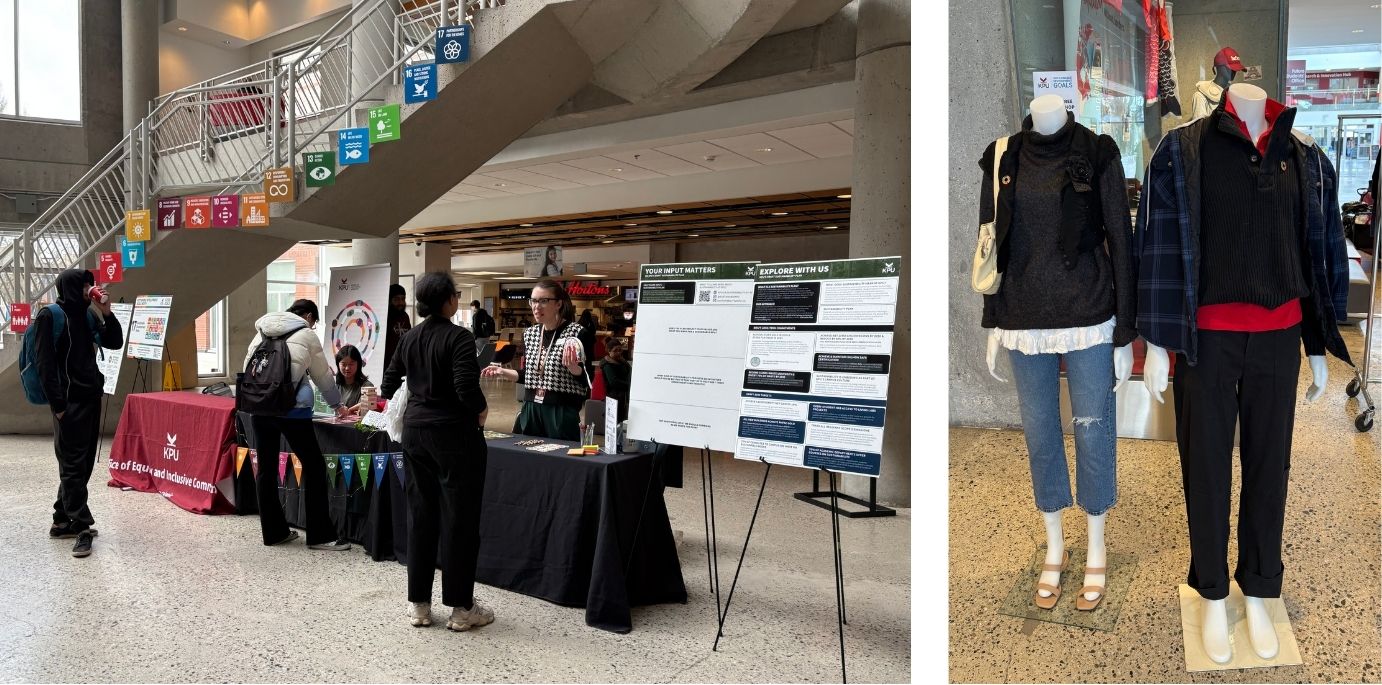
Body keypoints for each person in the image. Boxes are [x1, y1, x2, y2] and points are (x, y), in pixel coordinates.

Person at [380, 272, 493, 632]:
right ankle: (461, 608)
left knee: (421, 516)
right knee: (460, 520)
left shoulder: (409, 336)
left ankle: (419, 605)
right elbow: (465, 386)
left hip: (415, 435)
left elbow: (388, 383)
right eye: (455, 294)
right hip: (454, 437)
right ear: (448, 301)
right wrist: (480, 408)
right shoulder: (459, 337)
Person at [243, 299, 352, 551]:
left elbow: (248, 367)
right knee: (314, 466)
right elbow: (323, 376)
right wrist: (337, 405)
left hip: (260, 408)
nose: (313, 326)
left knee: (266, 469)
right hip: (292, 410)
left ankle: (274, 533)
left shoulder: (262, 332)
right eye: (314, 322)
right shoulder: (306, 334)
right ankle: (320, 536)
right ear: (309, 317)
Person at [34, 269, 123, 558]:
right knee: (72, 465)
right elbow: (45, 364)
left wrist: (106, 313)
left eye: (90, 284)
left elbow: (114, 342)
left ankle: (61, 521)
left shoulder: (88, 314)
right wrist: (58, 406)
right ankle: (82, 526)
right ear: (71, 287)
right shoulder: (50, 316)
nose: (89, 289)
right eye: (85, 285)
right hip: (68, 403)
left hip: (90, 397)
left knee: (82, 464)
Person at [481, 279, 589, 440]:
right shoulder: (530, 334)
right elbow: (529, 375)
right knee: (527, 453)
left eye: (543, 301)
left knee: (561, 454)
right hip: (531, 407)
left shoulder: (577, 333)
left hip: (561, 410)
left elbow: (588, 378)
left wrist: (574, 368)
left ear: (558, 304)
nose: (536, 307)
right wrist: (502, 371)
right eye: (533, 301)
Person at [600, 338, 631, 423]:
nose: (618, 353)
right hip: (614, 398)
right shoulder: (607, 365)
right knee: (614, 423)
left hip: (623, 397)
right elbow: (614, 382)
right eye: (615, 350)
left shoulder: (621, 361)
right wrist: (629, 385)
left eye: (620, 350)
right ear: (609, 351)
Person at [334, 345, 372, 414]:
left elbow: (367, 414)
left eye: (351, 364)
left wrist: (349, 411)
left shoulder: (368, 386)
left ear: (358, 364)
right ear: (338, 365)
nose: (347, 368)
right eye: (343, 364)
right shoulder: (334, 385)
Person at [384, 284, 412, 370]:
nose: (401, 303)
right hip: (387, 365)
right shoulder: (384, 317)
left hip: (404, 363)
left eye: (403, 299)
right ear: (389, 300)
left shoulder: (405, 316)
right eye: (396, 299)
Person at [576, 309, 597, 381]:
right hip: (589, 345)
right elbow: (594, 331)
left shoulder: (579, 323)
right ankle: (589, 375)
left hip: (581, 345)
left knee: (581, 359)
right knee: (589, 360)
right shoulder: (590, 323)